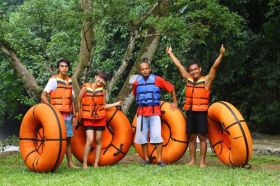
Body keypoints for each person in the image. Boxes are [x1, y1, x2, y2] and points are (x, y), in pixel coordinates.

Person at [166, 45, 226, 168]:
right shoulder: (188, 79)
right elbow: (179, 66)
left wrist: (221, 54)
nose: (193, 72)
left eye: (195, 69)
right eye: (191, 70)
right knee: (191, 137)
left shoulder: (206, 80)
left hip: (202, 112)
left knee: (202, 137)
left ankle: (202, 162)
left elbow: (214, 67)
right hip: (190, 112)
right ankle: (192, 160)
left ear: (200, 69)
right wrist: (170, 53)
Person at [132, 58, 178, 167]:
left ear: (150, 69)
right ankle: (146, 159)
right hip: (142, 112)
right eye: (142, 69)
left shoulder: (157, 79)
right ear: (140, 70)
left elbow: (171, 88)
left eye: (146, 69)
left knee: (157, 136)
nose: (145, 71)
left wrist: (175, 102)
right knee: (142, 137)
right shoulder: (136, 82)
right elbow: (135, 95)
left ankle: (160, 160)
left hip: (154, 112)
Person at [77, 72, 122, 169]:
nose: (101, 81)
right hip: (88, 118)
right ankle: (84, 164)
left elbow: (104, 106)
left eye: (103, 80)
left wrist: (116, 103)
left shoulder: (103, 92)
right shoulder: (85, 87)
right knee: (90, 140)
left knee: (98, 140)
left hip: (100, 118)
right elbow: (78, 99)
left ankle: (96, 164)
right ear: (95, 77)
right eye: (100, 78)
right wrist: (80, 114)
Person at [41, 59, 78, 168]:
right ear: (59, 68)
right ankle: (51, 161)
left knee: (68, 139)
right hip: (56, 115)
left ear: (68, 68)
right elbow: (43, 96)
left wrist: (75, 116)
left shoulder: (70, 81)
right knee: (55, 139)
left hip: (67, 115)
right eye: (62, 66)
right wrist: (51, 109)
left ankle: (70, 163)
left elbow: (72, 100)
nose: (64, 68)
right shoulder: (53, 80)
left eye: (66, 66)